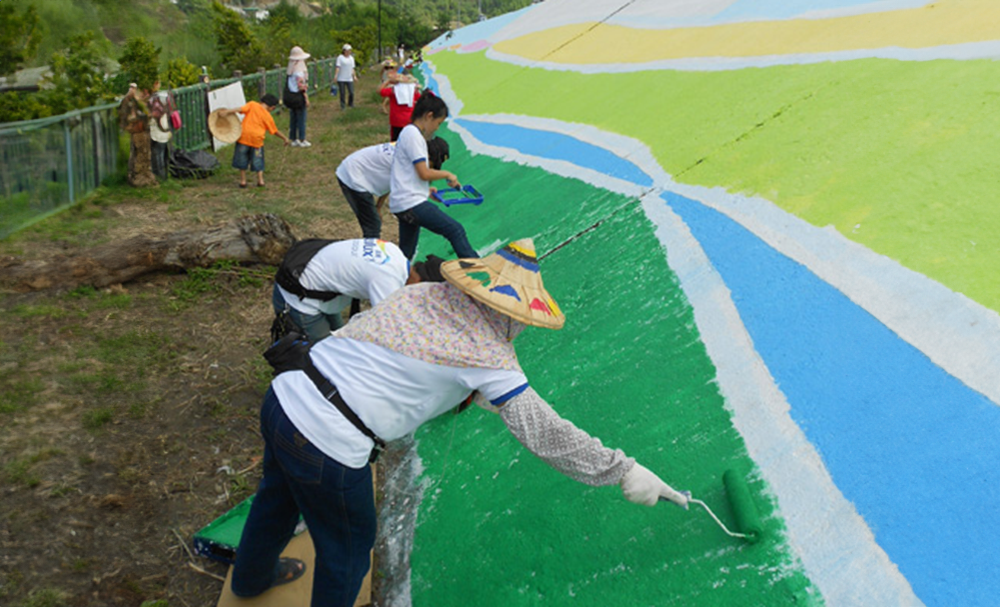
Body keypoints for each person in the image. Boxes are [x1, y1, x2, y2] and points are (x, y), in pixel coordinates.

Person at [231, 239, 690, 607]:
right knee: (347, 549)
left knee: (277, 495)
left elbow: (404, 360)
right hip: (326, 443)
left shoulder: (422, 293)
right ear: (517, 313)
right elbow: (547, 434)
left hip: (286, 396)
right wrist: (624, 470)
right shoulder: (491, 356)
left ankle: (251, 579)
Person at [271, 238, 444, 343]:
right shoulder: (387, 280)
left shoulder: (394, 253)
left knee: (340, 336)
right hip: (301, 298)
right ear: (420, 283)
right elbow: (388, 327)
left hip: (321, 285)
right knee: (321, 352)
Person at [390, 93, 476, 260]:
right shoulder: (413, 134)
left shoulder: (411, 134)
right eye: (438, 123)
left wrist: (426, 191)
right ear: (429, 116)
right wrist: (448, 174)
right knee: (455, 230)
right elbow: (424, 173)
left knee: (406, 253)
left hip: (404, 203)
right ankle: (478, 271)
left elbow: (409, 173)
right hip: (411, 203)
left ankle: (397, 280)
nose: (437, 128)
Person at [336, 137, 449, 238]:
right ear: (427, 156)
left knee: (373, 222)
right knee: (372, 226)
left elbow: (393, 182)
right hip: (352, 175)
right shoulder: (407, 160)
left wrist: (378, 207)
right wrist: (447, 175)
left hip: (353, 168)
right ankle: (369, 256)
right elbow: (405, 188)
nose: (430, 167)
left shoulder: (410, 150)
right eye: (432, 163)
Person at [217, 93, 291, 188]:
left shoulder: (252, 105)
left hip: (243, 138)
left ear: (261, 101)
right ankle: (260, 180)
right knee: (258, 160)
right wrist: (284, 138)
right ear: (272, 107)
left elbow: (240, 109)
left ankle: (243, 181)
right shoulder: (268, 116)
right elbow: (274, 130)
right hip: (257, 142)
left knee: (241, 159)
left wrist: (227, 112)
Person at [117, 82, 158, 188]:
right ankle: (138, 177)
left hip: (141, 128)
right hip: (137, 128)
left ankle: (141, 176)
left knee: (142, 152)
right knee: (138, 153)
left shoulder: (138, 99)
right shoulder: (131, 100)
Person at [379, 73, 421, 142]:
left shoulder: (393, 90)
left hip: (396, 120)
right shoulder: (414, 91)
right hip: (409, 119)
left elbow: (380, 91)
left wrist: (388, 81)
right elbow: (419, 99)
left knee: (395, 142)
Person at [284, 46, 312, 148]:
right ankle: (302, 138)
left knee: (293, 118)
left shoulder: (291, 69)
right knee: (301, 118)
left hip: (291, 97)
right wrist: (306, 97)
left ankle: (294, 138)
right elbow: (301, 86)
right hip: (299, 97)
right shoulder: (299, 71)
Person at [334, 44, 357, 110]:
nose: (348, 52)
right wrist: (336, 75)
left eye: (349, 51)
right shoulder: (340, 58)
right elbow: (338, 67)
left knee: (351, 92)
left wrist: (354, 76)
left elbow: (352, 68)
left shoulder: (351, 58)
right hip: (341, 78)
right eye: (347, 51)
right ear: (344, 51)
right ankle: (342, 105)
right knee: (342, 93)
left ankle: (350, 103)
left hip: (349, 78)